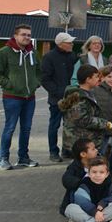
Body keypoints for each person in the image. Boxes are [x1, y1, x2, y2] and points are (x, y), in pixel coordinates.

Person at [0, 24, 42, 170]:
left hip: (30, 98)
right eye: (23, 34)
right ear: (15, 36)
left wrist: (36, 83)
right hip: (12, 97)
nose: (27, 37)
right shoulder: (4, 52)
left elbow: (40, 71)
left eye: (28, 35)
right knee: (10, 128)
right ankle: (3, 159)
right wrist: (10, 85)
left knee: (26, 129)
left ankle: (23, 158)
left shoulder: (33, 53)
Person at [59, 64, 112, 154]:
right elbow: (83, 119)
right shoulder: (78, 98)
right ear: (88, 80)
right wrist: (105, 123)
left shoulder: (90, 93)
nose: (99, 79)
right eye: (96, 77)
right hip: (82, 144)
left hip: (90, 141)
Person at [41, 32, 77, 162]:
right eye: (69, 42)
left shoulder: (72, 56)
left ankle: (67, 150)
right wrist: (58, 92)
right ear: (60, 44)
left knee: (70, 126)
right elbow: (45, 79)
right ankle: (53, 152)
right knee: (54, 125)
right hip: (57, 98)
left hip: (72, 98)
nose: (71, 44)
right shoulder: (49, 57)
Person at [64, 158, 112, 222]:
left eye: (101, 172)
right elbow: (81, 201)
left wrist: (104, 202)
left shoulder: (109, 184)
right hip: (88, 211)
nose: (97, 175)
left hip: (103, 211)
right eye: (94, 172)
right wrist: (95, 212)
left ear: (107, 174)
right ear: (89, 173)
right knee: (70, 208)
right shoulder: (85, 184)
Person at [59, 137, 98, 218]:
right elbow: (66, 179)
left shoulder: (99, 163)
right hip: (80, 197)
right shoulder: (75, 167)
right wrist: (82, 183)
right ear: (83, 154)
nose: (97, 150)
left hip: (95, 195)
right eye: (93, 149)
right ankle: (80, 215)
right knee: (75, 191)